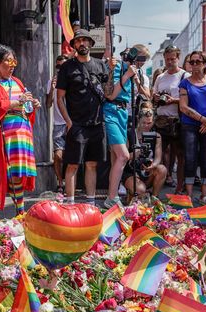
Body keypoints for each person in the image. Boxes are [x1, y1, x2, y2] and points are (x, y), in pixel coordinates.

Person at [0, 45, 39, 220]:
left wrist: (31, 106)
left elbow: (24, 106)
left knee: (17, 175)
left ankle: (20, 214)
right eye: (8, 61)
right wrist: (15, 102)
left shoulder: (17, 82)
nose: (12, 65)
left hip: (20, 134)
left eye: (14, 61)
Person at [56, 29, 109, 205]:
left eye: (85, 41)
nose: (82, 44)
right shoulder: (67, 67)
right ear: (74, 45)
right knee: (72, 164)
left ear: (91, 44)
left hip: (97, 122)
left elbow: (108, 93)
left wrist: (114, 71)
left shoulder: (101, 65)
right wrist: (69, 122)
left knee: (92, 164)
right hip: (76, 123)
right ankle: (70, 204)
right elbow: (60, 98)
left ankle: (91, 204)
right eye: (78, 41)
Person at [103, 46, 143, 209]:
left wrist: (136, 79)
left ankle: (111, 196)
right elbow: (111, 94)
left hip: (123, 112)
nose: (140, 63)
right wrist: (127, 75)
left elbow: (145, 93)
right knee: (123, 156)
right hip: (111, 110)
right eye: (139, 59)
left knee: (117, 157)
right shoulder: (117, 67)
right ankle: (112, 197)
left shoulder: (134, 72)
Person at [179, 51, 206, 203]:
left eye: (198, 61)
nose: (194, 65)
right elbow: (183, 107)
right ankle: (189, 196)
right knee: (190, 158)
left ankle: (204, 195)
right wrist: (203, 119)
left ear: (204, 64)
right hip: (190, 125)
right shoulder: (185, 83)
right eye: (192, 62)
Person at [152, 46, 188, 193]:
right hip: (161, 120)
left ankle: (179, 188)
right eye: (167, 59)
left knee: (180, 155)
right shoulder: (160, 77)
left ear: (178, 58)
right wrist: (156, 98)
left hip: (178, 121)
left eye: (173, 59)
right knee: (159, 155)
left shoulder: (185, 76)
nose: (169, 62)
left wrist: (173, 100)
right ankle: (156, 189)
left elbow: (190, 99)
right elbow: (153, 96)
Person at [122, 103, 167, 201]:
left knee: (162, 169)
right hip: (131, 172)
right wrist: (136, 154)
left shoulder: (157, 136)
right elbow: (123, 157)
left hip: (147, 171)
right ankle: (134, 193)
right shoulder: (129, 134)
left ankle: (154, 199)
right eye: (144, 123)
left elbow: (158, 158)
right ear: (138, 120)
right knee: (140, 189)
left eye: (149, 123)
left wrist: (153, 165)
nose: (146, 126)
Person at [47, 55, 68, 194]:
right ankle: (60, 182)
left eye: (63, 66)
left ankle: (69, 182)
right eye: (58, 66)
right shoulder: (51, 82)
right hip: (58, 124)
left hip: (71, 122)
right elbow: (48, 104)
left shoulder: (71, 81)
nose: (60, 69)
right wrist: (52, 89)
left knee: (71, 156)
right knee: (58, 156)